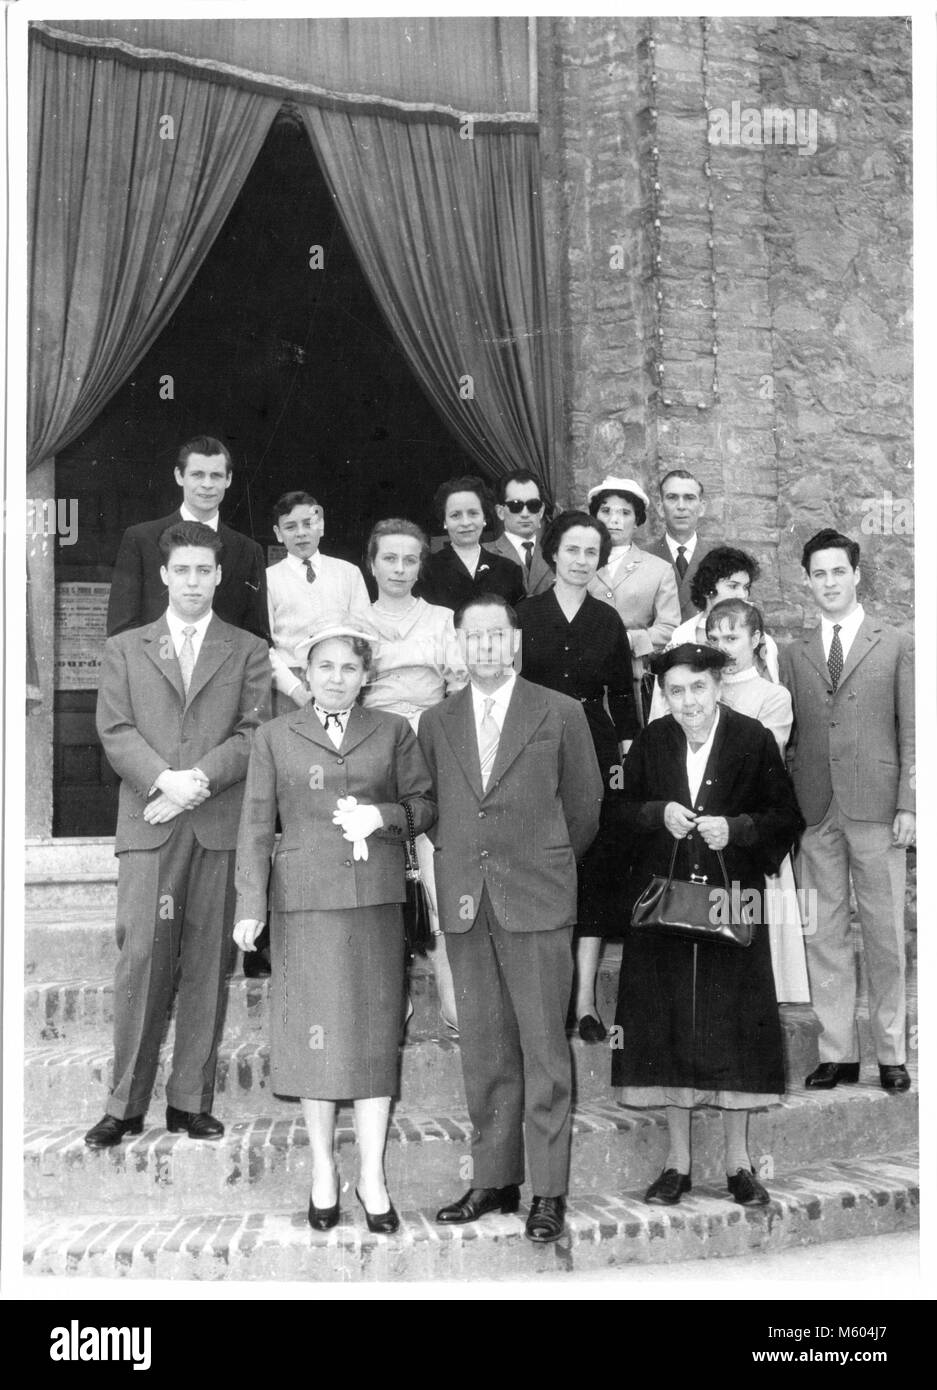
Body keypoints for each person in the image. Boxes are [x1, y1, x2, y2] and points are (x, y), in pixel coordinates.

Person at [233, 616, 435, 1233]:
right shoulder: (274, 736)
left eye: (350, 667)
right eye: (325, 666)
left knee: (374, 1036)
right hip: (305, 904)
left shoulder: (394, 731)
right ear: (306, 672)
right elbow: (255, 823)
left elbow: (424, 805)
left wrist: (382, 817)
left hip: (373, 902)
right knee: (313, 1039)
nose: (338, 677)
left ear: (366, 676)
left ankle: (371, 1175)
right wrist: (249, 905)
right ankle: (323, 1169)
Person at [418, 595, 603, 1243]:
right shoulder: (435, 722)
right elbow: (435, 808)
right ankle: (494, 1180)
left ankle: (547, 1191)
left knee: (544, 1052)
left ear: (515, 641)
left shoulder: (560, 712)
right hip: (470, 904)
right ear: (459, 646)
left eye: (497, 636)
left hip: (537, 902)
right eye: (475, 638)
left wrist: (540, 863)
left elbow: (583, 807)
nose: (486, 648)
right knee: (486, 1051)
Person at [84, 521, 271, 1150]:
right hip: (149, 823)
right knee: (141, 959)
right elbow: (115, 730)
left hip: (216, 825)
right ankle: (125, 1102)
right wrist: (164, 780)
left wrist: (196, 781)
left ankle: (190, 1100)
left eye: (204, 571)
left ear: (219, 576)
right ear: (164, 575)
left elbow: (253, 733)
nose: (193, 581)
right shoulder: (126, 647)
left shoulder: (246, 648)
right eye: (182, 570)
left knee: (206, 964)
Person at [611, 644, 804, 1207]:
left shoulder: (752, 739)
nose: (688, 701)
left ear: (717, 687)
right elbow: (616, 811)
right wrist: (656, 814)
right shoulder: (651, 742)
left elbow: (788, 816)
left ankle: (740, 1165)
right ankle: (677, 1164)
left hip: (732, 904)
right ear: (663, 695)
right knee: (668, 1022)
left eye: (698, 688)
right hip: (663, 907)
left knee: (736, 1025)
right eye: (676, 691)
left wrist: (739, 828)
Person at [779, 528, 915, 1093]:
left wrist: (910, 802)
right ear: (807, 580)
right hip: (816, 811)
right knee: (824, 933)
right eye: (819, 573)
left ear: (857, 575)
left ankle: (890, 1051)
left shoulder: (896, 642)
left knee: (885, 933)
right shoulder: (795, 653)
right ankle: (837, 1052)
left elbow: (915, 731)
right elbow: (789, 742)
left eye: (839, 571)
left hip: (879, 808)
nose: (829, 582)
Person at [517, 511, 638, 1042]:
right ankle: (545, 996)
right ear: (552, 552)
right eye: (572, 550)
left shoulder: (607, 621)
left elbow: (623, 698)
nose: (582, 561)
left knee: (594, 865)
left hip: (595, 744)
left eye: (592, 552)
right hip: (536, 745)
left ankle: (586, 1001)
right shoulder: (523, 615)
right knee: (543, 863)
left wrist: (628, 757)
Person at [361, 518, 467, 1033]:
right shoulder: (353, 620)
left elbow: (457, 684)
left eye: (410, 560)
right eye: (389, 559)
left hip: (429, 739)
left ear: (421, 565)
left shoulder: (443, 619)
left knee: (434, 855)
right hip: (371, 742)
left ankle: (448, 973)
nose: (399, 569)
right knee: (380, 855)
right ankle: (391, 981)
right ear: (372, 562)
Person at [705, 599, 810, 1004]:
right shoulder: (701, 687)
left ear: (756, 640)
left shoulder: (772, 695)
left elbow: (760, 759)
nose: (722, 646)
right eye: (714, 637)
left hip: (749, 822)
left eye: (732, 637)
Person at [106, 435, 270, 642]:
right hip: (155, 669)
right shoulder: (140, 539)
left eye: (216, 476)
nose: (207, 484)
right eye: (197, 475)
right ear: (179, 476)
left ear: (228, 479)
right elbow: (121, 628)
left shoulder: (248, 550)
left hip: (225, 672)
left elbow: (257, 636)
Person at [266, 490, 371, 718]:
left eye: (308, 524)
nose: (301, 533)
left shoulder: (348, 573)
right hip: (289, 686)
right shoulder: (268, 579)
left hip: (340, 680)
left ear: (321, 526)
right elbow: (266, 648)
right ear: (278, 533)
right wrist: (295, 690)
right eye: (290, 527)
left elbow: (363, 633)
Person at [585, 474, 680, 719]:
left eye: (625, 513)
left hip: (633, 675)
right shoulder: (579, 562)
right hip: (585, 673)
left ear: (637, 520)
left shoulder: (658, 569)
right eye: (606, 511)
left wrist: (629, 639)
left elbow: (669, 628)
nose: (614, 520)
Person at [647, 545, 778, 721]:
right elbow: (661, 701)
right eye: (733, 586)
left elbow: (771, 694)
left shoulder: (760, 639)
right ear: (708, 589)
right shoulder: (683, 635)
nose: (742, 594)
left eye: (746, 587)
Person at [415, 475, 525, 612]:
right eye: (455, 515)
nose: (465, 522)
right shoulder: (427, 570)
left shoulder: (509, 570)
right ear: (444, 521)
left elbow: (517, 625)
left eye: (473, 513)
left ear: (484, 517)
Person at [645, 469, 714, 622]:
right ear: (660, 508)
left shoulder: (718, 558)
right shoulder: (643, 557)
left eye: (689, 498)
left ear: (702, 507)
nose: (681, 506)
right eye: (672, 497)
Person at [486, 469, 555, 597]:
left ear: (541, 511)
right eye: (516, 506)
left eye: (533, 505)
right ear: (500, 512)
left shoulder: (556, 553)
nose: (525, 514)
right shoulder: (484, 554)